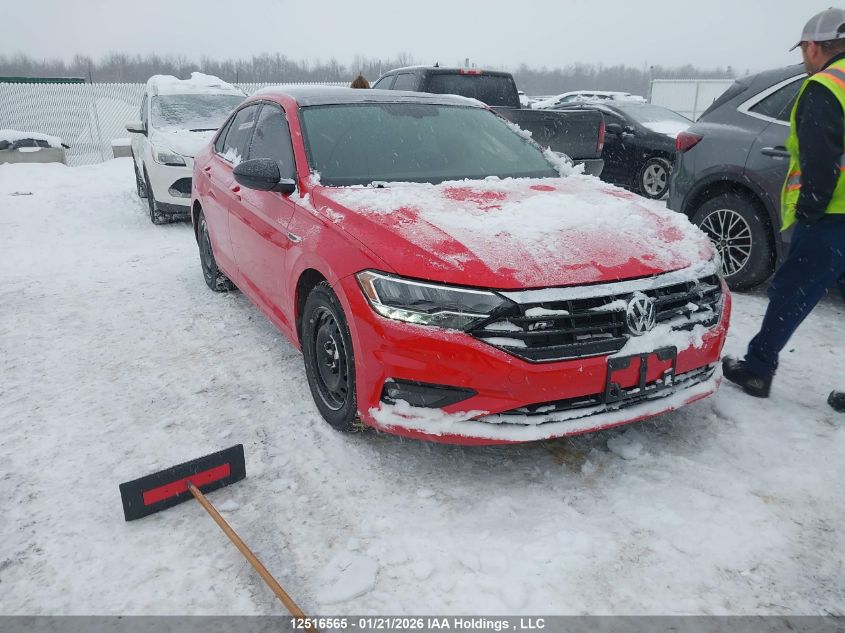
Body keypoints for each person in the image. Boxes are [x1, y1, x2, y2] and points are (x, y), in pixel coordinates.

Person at [722, 7, 845, 414]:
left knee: (792, 290)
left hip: (833, 217)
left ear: (814, 46)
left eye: (804, 50)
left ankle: (757, 368)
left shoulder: (826, 86)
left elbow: (821, 160)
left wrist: (809, 213)